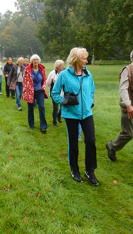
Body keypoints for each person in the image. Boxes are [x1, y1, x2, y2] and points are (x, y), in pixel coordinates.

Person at [51, 47, 98, 186]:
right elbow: (54, 93)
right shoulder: (64, 75)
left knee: (91, 141)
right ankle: (75, 170)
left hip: (87, 113)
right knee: (73, 143)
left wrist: (90, 102)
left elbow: (92, 91)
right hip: (71, 114)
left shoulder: (88, 74)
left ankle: (90, 171)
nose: (86, 60)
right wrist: (64, 102)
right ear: (76, 59)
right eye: (84, 58)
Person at [22, 54, 48, 132]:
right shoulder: (27, 69)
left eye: (37, 60)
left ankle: (43, 126)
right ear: (31, 61)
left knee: (41, 108)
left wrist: (43, 87)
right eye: (34, 60)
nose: (35, 61)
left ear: (39, 61)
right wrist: (26, 90)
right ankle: (31, 125)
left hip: (40, 91)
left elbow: (45, 79)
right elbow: (24, 80)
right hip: (30, 92)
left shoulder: (42, 69)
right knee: (30, 109)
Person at [46, 59, 65, 127]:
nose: (62, 66)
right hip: (55, 93)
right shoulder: (52, 73)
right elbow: (48, 83)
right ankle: (54, 122)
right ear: (57, 66)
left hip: (63, 93)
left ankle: (59, 115)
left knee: (63, 106)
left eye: (63, 65)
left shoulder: (65, 73)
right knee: (55, 107)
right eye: (60, 65)